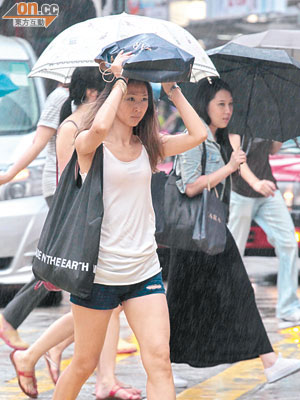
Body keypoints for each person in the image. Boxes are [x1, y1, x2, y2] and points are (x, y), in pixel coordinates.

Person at [41, 50, 209, 400]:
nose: (137, 106)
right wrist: (118, 79)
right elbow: (100, 126)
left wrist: (174, 93)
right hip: (98, 273)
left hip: (144, 270)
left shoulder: (150, 146)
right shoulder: (89, 146)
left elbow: (199, 133)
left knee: (159, 361)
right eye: (131, 99)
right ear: (114, 98)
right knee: (84, 364)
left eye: (144, 99)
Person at [9, 67, 141, 400]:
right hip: (86, 222)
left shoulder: (95, 122)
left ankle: (51, 357)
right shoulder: (72, 123)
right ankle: (81, 369)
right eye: (111, 92)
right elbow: (76, 182)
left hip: (105, 221)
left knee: (106, 303)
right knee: (102, 302)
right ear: (96, 94)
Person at [166, 77, 300, 385]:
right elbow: (189, 187)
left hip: (207, 231)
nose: (228, 111)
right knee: (188, 300)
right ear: (205, 106)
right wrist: (229, 167)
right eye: (221, 104)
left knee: (192, 300)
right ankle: (270, 362)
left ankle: (269, 361)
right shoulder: (194, 137)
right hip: (193, 233)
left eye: (231, 105)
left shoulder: (220, 139)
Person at [0, 82, 69, 351]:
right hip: (61, 189)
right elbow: (39, 141)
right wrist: (9, 174)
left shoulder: (84, 96)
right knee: (61, 260)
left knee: (67, 262)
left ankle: (93, 331)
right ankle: (10, 318)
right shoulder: (60, 98)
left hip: (76, 189)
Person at [227, 135, 300, 327]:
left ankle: (288, 307)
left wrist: (281, 133)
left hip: (267, 190)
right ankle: (226, 307)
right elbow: (237, 159)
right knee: (233, 252)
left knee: (288, 243)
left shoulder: (267, 114)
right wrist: (255, 183)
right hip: (240, 192)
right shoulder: (238, 115)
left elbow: (273, 150)